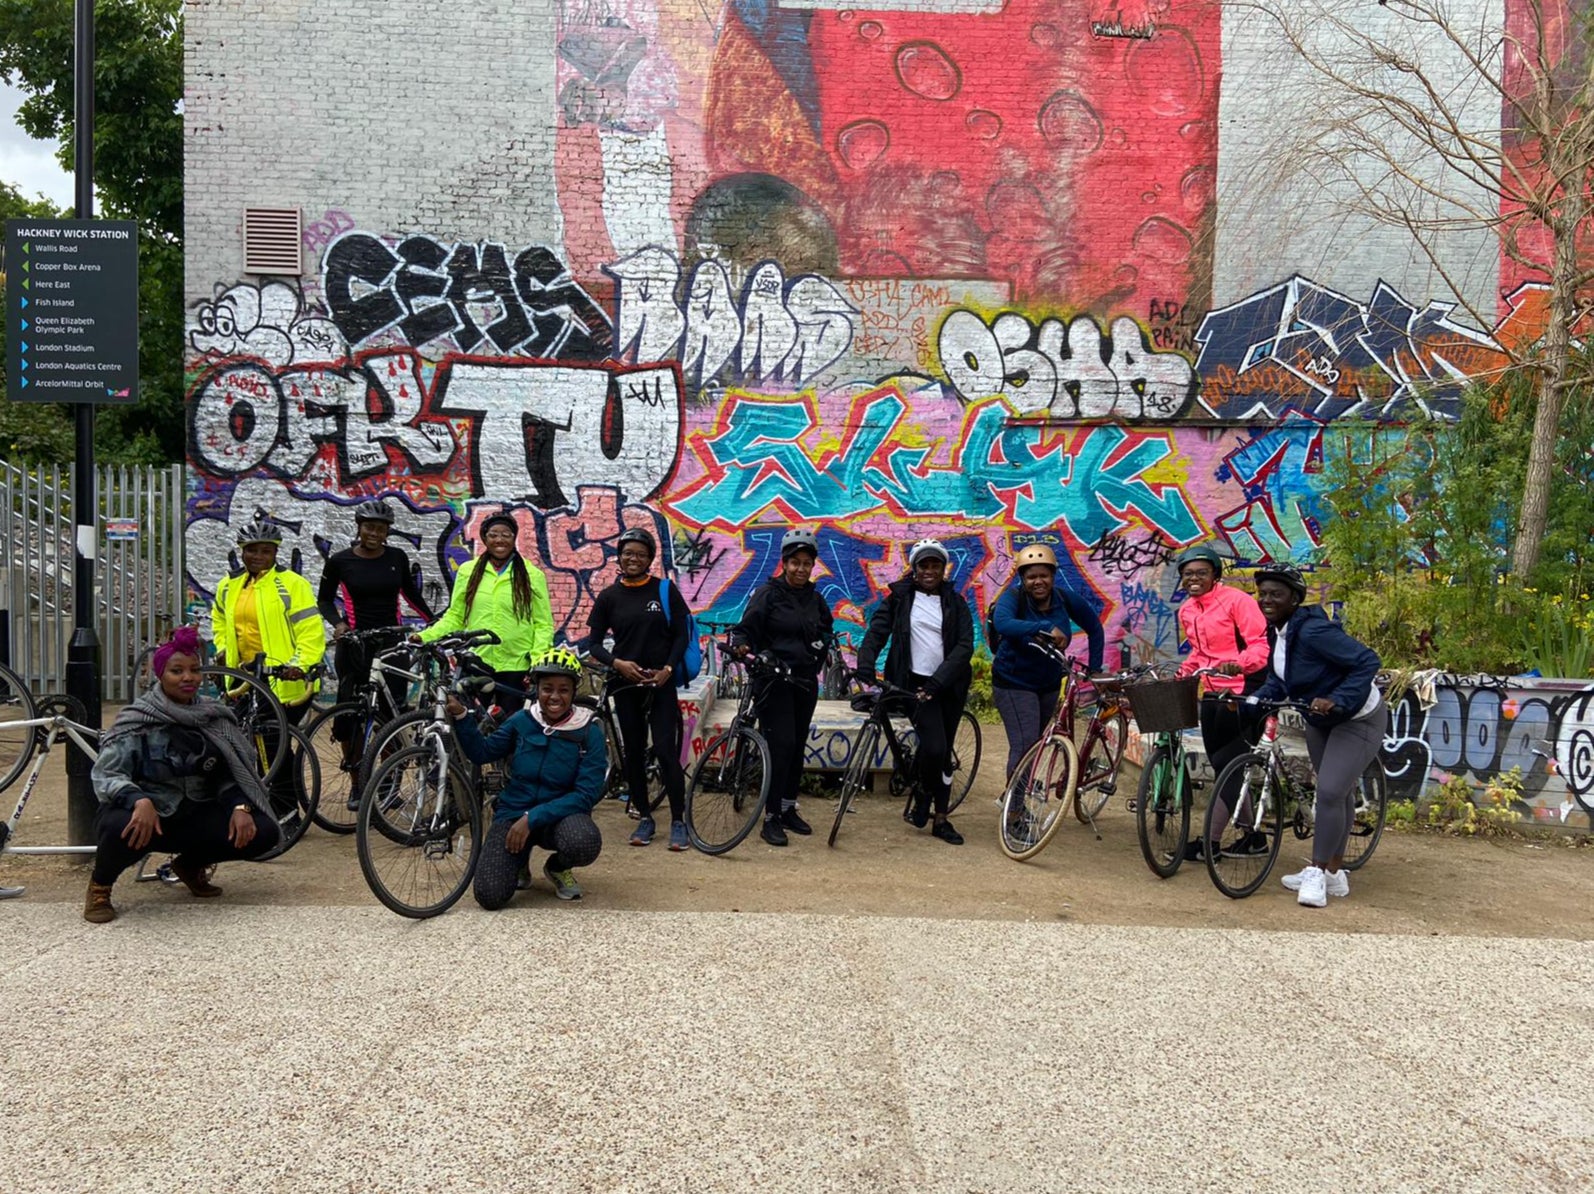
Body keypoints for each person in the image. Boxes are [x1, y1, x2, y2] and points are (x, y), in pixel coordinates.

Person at [84, 626, 283, 923]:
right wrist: (138, 800)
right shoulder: (137, 719)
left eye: (194, 670)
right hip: (149, 817)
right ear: (160, 675)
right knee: (118, 826)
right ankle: (100, 886)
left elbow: (227, 775)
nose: (188, 678)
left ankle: (189, 866)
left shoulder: (214, 716)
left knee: (263, 830)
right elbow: (106, 774)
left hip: (194, 812)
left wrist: (239, 806)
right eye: (177, 671)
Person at [1247, 562, 1386, 908]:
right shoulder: (1277, 632)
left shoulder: (1312, 632)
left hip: (1358, 718)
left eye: (1276, 594)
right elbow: (1282, 679)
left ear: (1295, 599)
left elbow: (1368, 661)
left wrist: (1338, 700)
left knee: (1328, 792)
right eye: (1262, 594)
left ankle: (1318, 871)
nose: (1267, 600)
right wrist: (1253, 698)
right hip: (1319, 719)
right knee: (1336, 793)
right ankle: (1335, 876)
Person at [447, 647, 607, 908]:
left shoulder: (589, 732)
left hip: (559, 818)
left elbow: (585, 796)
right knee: (489, 895)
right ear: (536, 689)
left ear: (574, 692)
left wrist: (532, 818)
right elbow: (482, 752)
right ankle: (518, 860)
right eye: (547, 688)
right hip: (512, 814)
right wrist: (462, 717)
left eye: (563, 690)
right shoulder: (521, 720)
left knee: (584, 841)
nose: (555, 696)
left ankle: (557, 867)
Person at [857, 538, 976, 845]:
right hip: (913, 685)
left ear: (943, 569)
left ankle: (940, 818)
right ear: (914, 568)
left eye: (936, 565)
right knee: (934, 747)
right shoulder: (899, 598)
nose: (929, 571)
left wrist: (938, 682)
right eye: (924, 565)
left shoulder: (956, 602)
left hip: (947, 687)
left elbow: (964, 647)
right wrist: (865, 664)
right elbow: (877, 631)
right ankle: (922, 789)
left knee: (943, 749)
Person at [317, 498, 435, 804]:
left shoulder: (396, 556)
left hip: (392, 646)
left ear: (387, 531)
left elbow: (411, 595)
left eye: (381, 528)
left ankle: (389, 785)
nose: (375, 533)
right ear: (359, 527)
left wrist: (435, 624)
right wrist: (339, 624)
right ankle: (358, 784)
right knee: (350, 719)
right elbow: (325, 601)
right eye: (369, 526)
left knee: (391, 715)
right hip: (355, 646)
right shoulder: (340, 562)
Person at [585, 527, 691, 851]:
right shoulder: (608, 597)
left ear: (649, 559)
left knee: (665, 751)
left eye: (640, 554)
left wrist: (668, 669)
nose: (633, 559)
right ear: (619, 556)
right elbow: (594, 644)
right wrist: (619, 664)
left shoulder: (664, 590)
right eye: (628, 553)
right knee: (632, 753)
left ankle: (678, 820)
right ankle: (645, 816)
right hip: (625, 684)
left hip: (660, 683)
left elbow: (681, 636)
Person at [730, 528, 836, 848]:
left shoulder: (816, 599)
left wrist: (817, 653)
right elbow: (745, 630)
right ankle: (771, 817)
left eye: (807, 563)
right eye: (795, 563)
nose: (801, 569)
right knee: (782, 745)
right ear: (784, 563)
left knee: (797, 745)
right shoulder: (768, 594)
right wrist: (744, 646)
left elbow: (826, 631)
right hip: (773, 681)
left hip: (804, 682)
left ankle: (789, 808)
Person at [1172, 543, 1270, 861]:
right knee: (1222, 767)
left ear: (1215, 574)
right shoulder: (1187, 610)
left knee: (1230, 765)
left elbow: (1260, 643)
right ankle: (1253, 838)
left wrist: (1241, 663)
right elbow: (1201, 653)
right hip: (1213, 694)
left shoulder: (1236, 602)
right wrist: (1183, 673)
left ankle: (1209, 844)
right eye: (1188, 574)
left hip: (1246, 691)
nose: (1194, 579)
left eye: (1202, 572)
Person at [988, 543, 1105, 780]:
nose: (1038, 581)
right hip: (1013, 682)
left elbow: (1094, 627)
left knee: (1036, 744)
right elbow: (1003, 623)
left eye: (1044, 575)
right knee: (1025, 745)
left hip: (1049, 684)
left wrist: (1095, 669)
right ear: (1023, 578)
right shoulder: (1012, 598)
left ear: (1053, 576)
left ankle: (1016, 793)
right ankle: (1014, 810)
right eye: (1031, 577)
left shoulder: (1063, 598)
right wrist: (1045, 626)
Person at [419, 510, 553, 696]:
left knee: (510, 722)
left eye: (506, 535)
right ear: (484, 538)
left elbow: (543, 623)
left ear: (514, 538)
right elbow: (456, 616)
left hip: (516, 665)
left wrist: (537, 659)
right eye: (493, 535)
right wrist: (425, 637)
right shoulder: (468, 572)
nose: (500, 540)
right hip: (477, 662)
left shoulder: (532, 575)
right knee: (472, 720)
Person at [210, 519, 326, 720]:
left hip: (283, 676)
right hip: (244, 674)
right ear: (242, 552)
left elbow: (311, 631)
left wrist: (299, 665)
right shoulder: (229, 585)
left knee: (273, 744)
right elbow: (219, 619)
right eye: (251, 550)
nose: (258, 556)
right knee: (244, 739)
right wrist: (222, 649)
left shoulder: (292, 584)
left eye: (266, 551)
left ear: (275, 553)